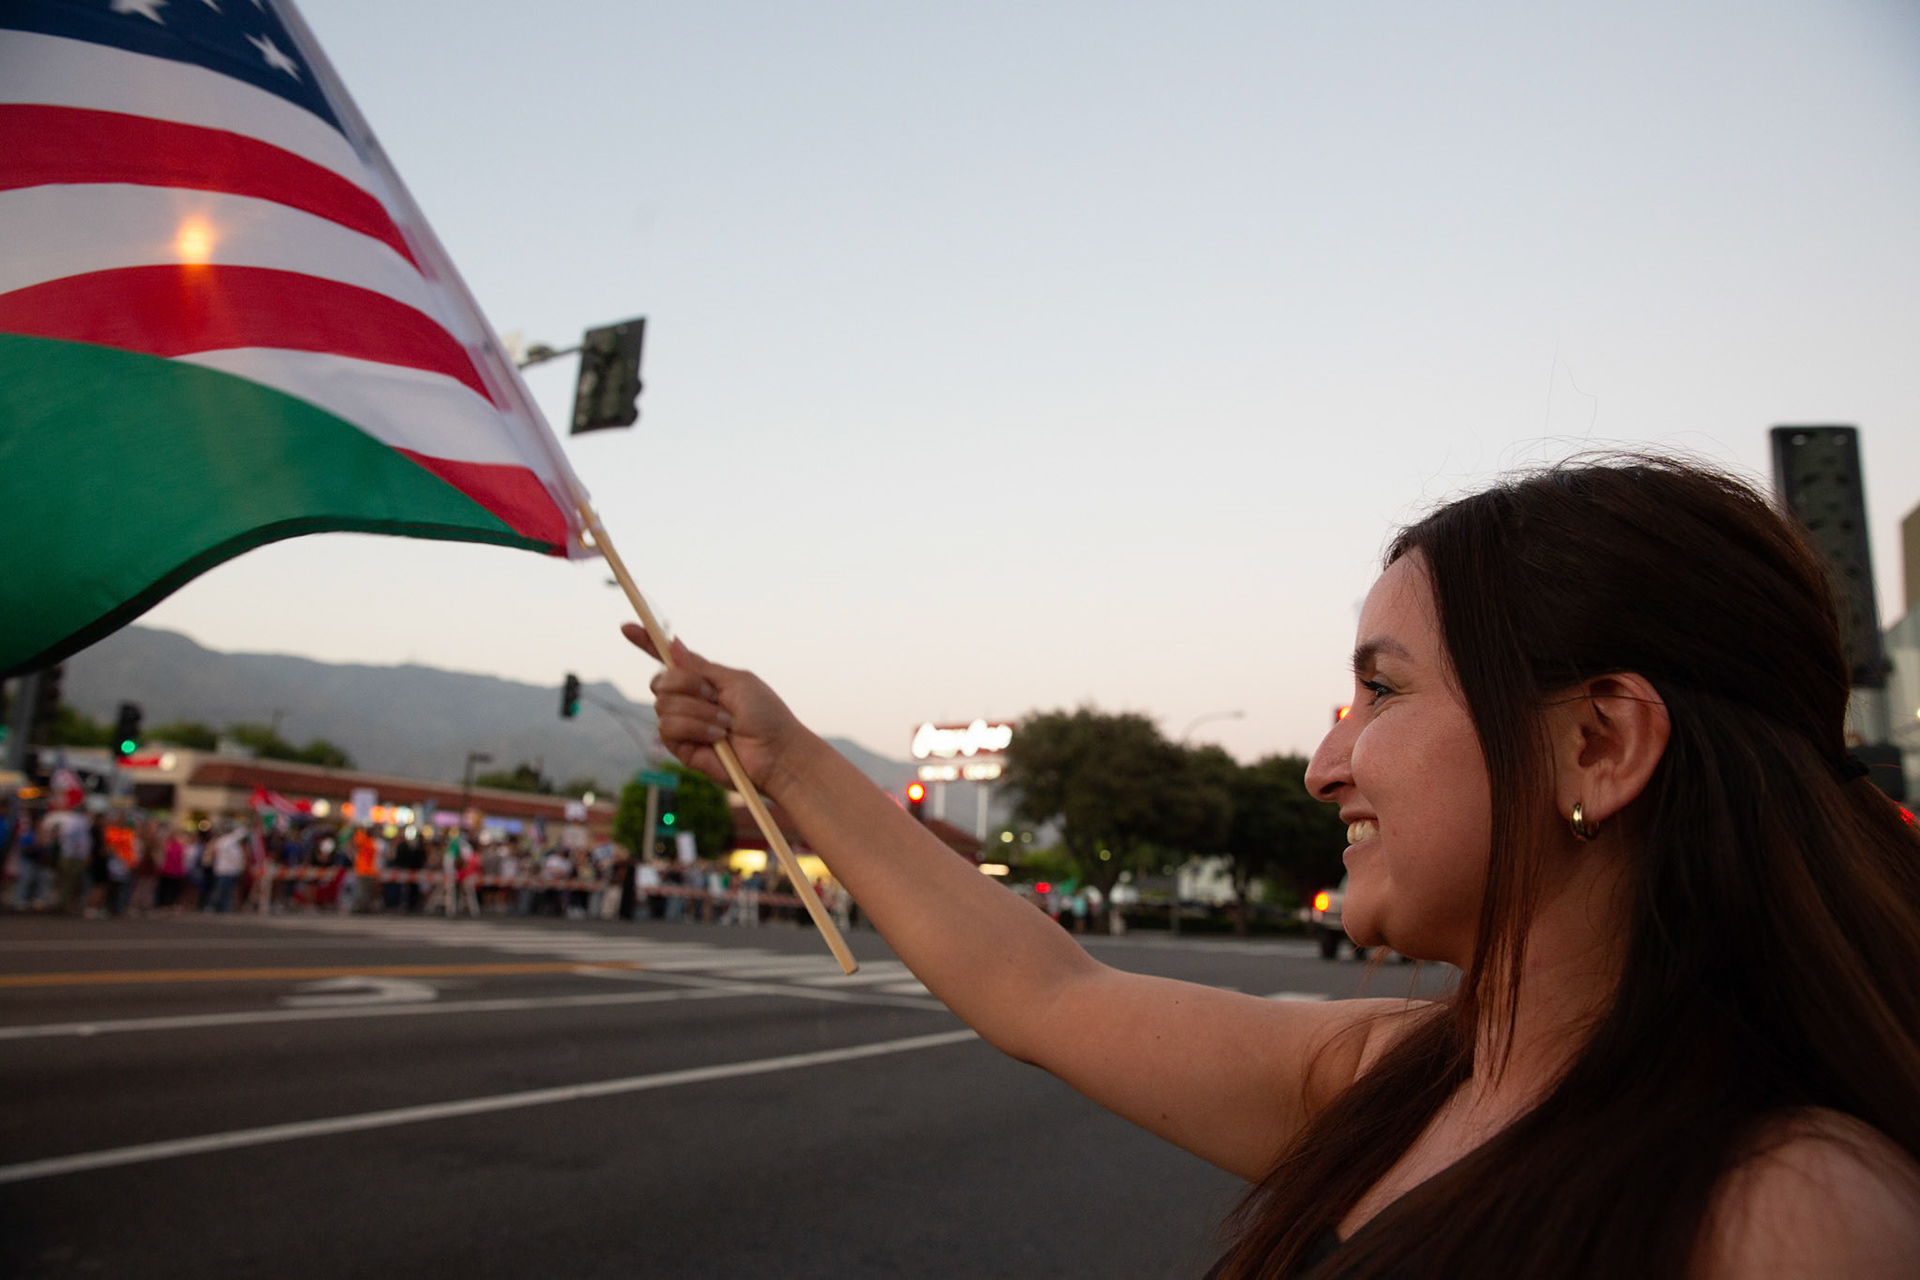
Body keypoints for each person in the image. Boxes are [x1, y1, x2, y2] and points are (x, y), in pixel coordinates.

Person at [632, 456, 1920, 1278]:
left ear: (1598, 741)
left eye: (1380, 692)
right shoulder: (1396, 1083)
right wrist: (786, 760)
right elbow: (1049, 997)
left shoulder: (1790, 1216)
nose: (1323, 764)